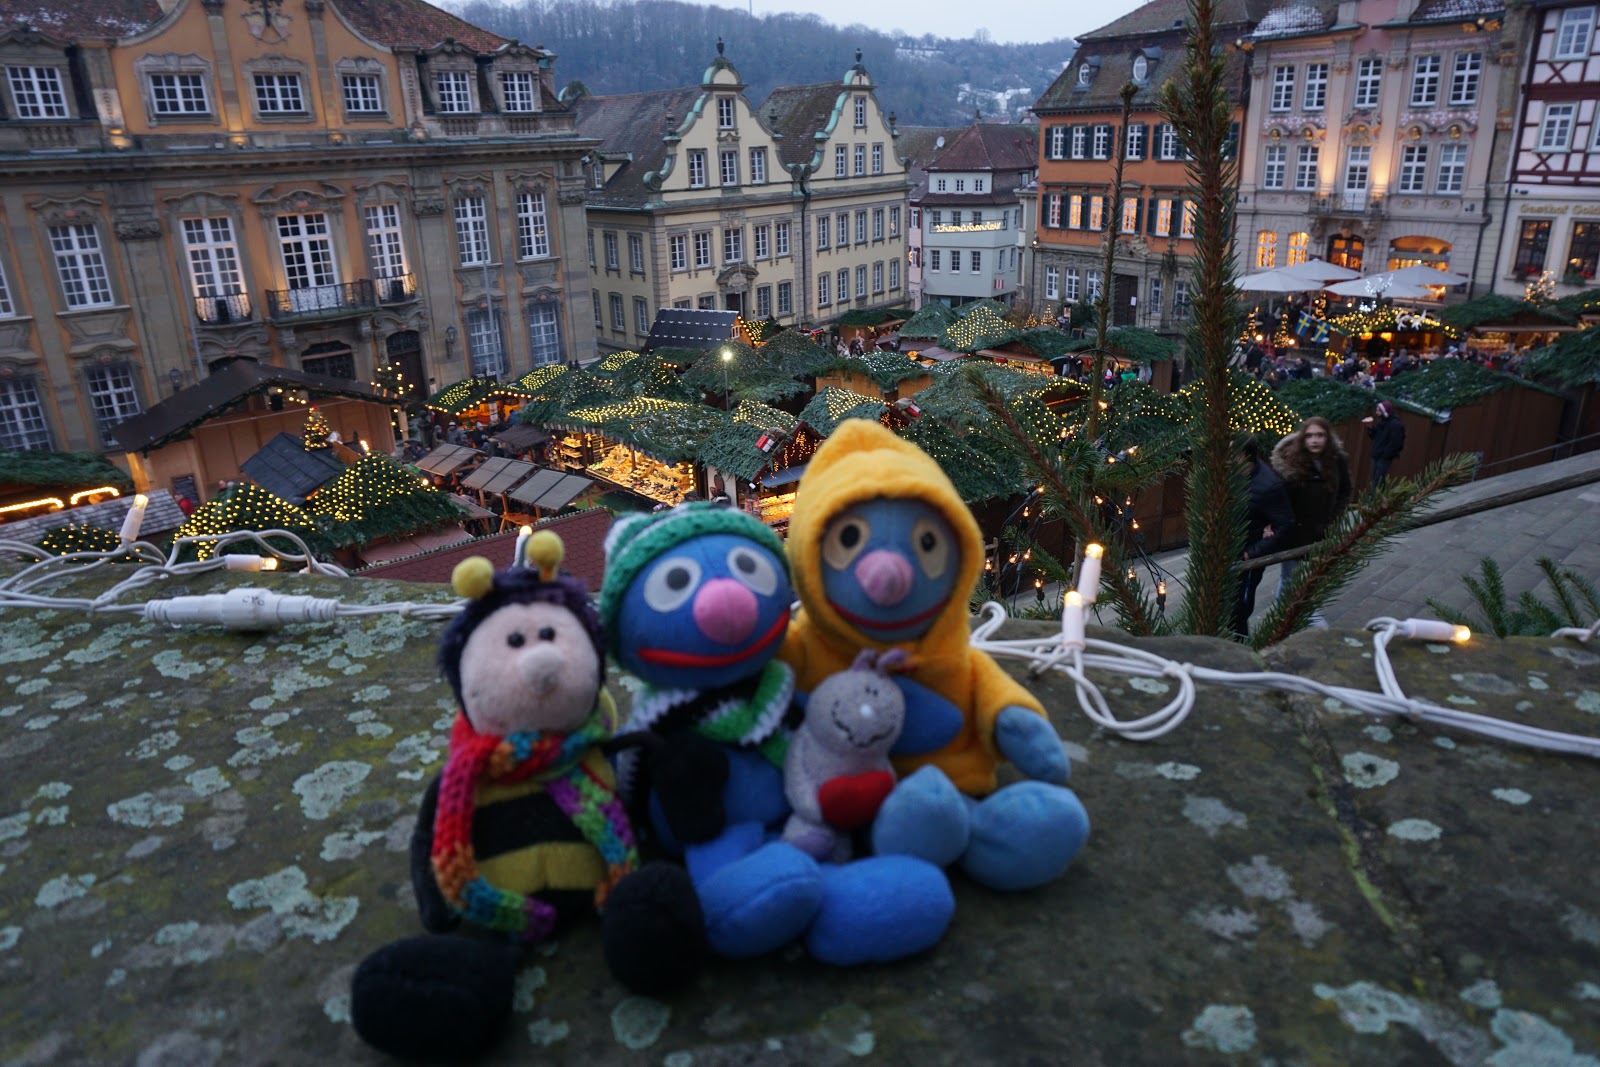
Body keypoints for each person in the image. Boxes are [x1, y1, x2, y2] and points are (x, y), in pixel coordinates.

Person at [1269, 417, 1352, 628]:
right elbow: (1279, 498)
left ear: (1327, 437)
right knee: (1290, 577)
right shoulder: (1291, 461)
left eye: (1320, 435)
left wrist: (1335, 518)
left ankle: (1300, 612)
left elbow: (1345, 490)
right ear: (1303, 438)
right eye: (1310, 435)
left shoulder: (1337, 461)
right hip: (1295, 532)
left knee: (1313, 576)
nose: (1315, 440)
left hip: (1324, 530)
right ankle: (1286, 618)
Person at [1233, 435, 1295, 640]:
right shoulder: (1228, 474)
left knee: (1238, 610)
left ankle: (1239, 647)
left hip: (1246, 560)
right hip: (1222, 552)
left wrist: (1252, 554)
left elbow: (1285, 525)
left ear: (1242, 455)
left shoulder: (1268, 485)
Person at [1363, 400, 1405, 493]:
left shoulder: (1395, 424)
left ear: (1384, 411)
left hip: (1384, 457)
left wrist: (1385, 454)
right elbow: (1375, 437)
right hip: (1377, 455)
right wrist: (1370, 428)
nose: (1376, 412)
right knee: (1377, 478)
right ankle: (1382, 497)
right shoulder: (1382, 422)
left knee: (1377, 479)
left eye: (1378, 410)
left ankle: (1371, 499)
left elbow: (1396, 442)